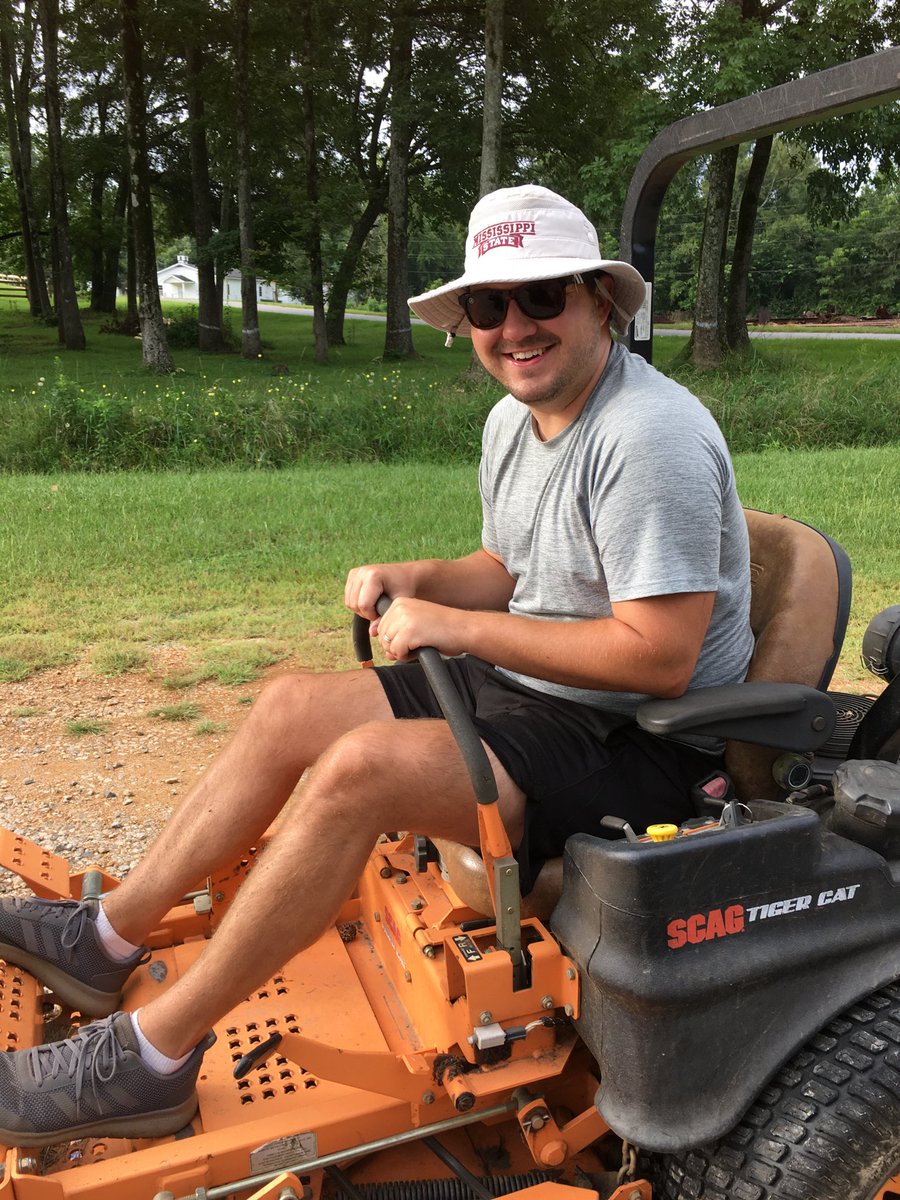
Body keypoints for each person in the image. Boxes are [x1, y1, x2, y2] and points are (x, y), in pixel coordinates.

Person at [0, 185, 754, 1146]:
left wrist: (460, 627)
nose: (514, 327)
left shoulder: (647, 438)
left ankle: (148, 1061)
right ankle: (108, 938)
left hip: (647, 739)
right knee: (286, 710)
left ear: (600, 301)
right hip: (540, 689)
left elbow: (659, 657)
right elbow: (509, 571)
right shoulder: (514, 423)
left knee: (358, 771)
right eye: (489, 306)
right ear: (467, 323)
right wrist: (423, 579)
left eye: (542, 299)